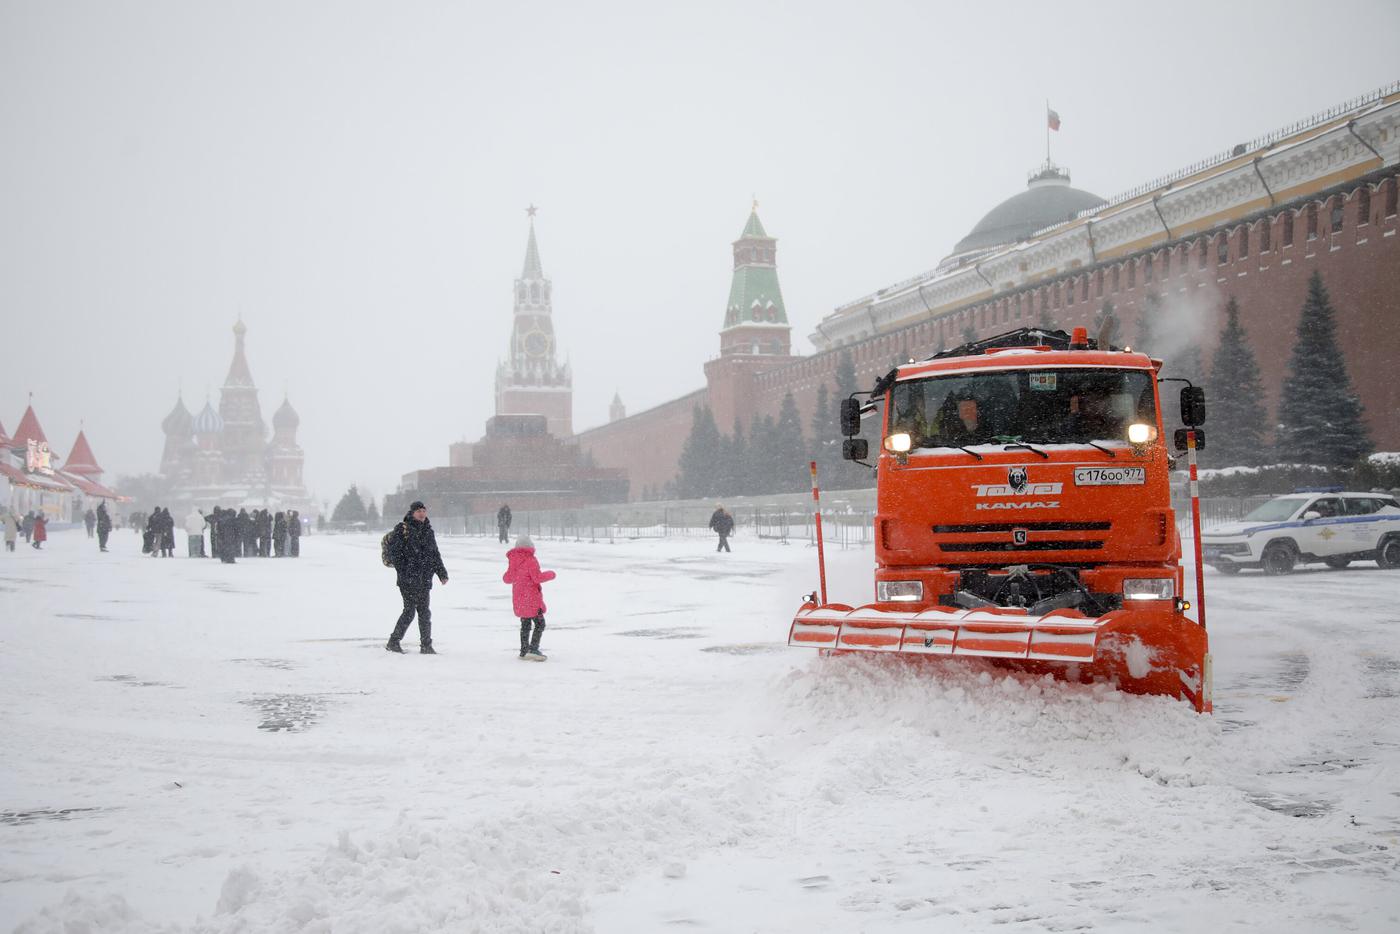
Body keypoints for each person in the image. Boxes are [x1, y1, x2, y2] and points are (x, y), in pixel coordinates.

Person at [385, 501, 448, 654]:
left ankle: (426, 645)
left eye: (424, 511)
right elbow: (395, 554)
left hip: (425, 578)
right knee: (409, 611)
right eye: (418, 511)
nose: (422, 513)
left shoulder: (428, 531)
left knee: (424, 612)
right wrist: (405, 571)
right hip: (408, 579)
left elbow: (434, 554)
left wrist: (442, 573)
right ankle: (393, 641)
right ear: (412, 513)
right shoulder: (403, 529)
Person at [504, 534, 555, 661]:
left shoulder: (513, 561)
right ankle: (533, 648)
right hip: (532, 598)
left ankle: (524, 650)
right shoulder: (531, 560)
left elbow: (507, 579)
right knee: (540, 623)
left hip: (520, 599)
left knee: (525, 624)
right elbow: (537, 577)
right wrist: (551, 574)